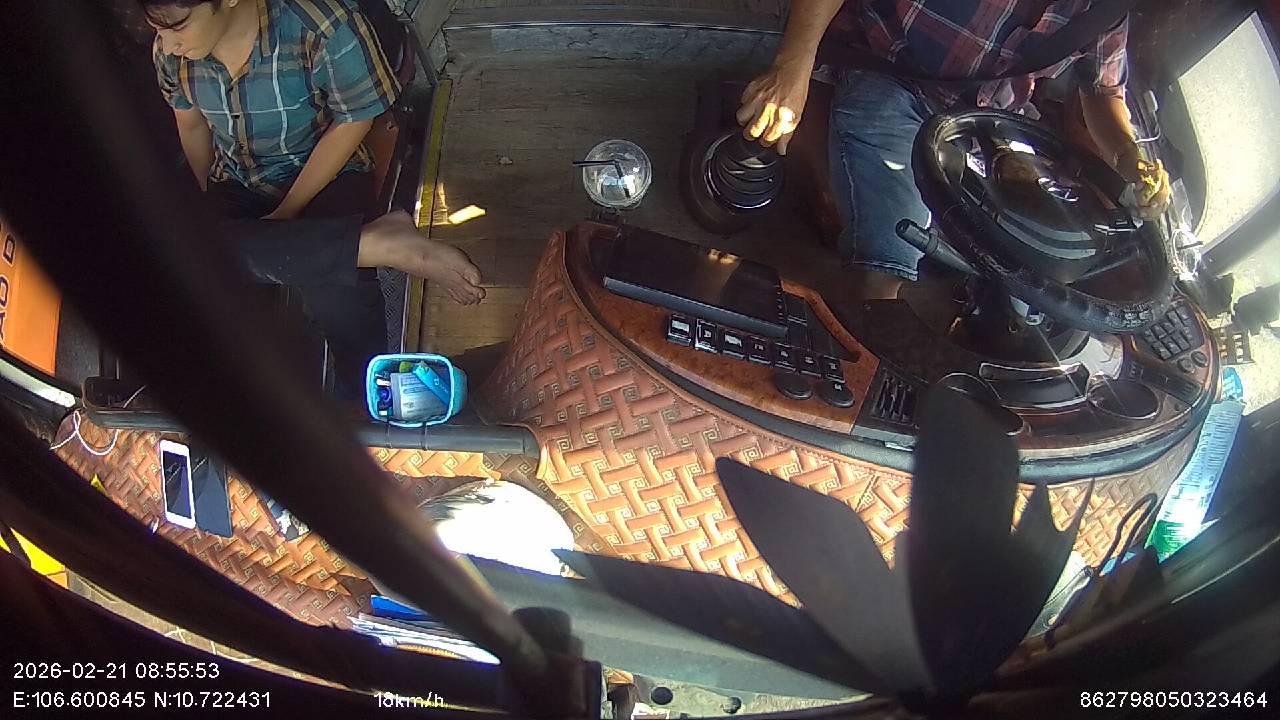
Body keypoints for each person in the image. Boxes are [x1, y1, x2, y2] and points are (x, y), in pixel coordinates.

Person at [141, 0, 484, 397]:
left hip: (327, 172)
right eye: (158, 30)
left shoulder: (323, 25)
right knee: (182, 257)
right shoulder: (171, 53)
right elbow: (191, 125)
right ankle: (369, 244)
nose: (167, 45)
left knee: (339, 299)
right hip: (236, 178)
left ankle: (360, 396)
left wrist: (285, 213)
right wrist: (206, 207)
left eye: (178, 26)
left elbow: (356, 119)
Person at [738, 0, 1173, 300]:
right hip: (888, 74)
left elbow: (1103, 93)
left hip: (985, 126)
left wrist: (1129, 158)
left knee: (1038, 264)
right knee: (888, 265)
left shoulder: (1104, 12)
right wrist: (792, 67)